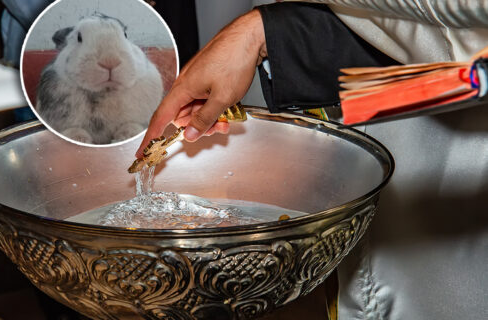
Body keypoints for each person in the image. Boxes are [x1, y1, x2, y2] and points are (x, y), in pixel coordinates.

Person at [138, 1, 488, 319]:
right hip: (372, 215)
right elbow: (389, 34)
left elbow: (464, 27)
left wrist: (258, 34)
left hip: (447, 209)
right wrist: (264, 37)